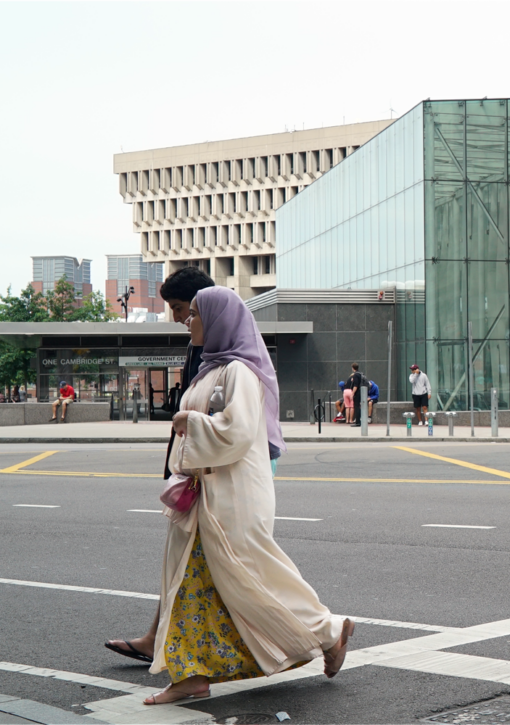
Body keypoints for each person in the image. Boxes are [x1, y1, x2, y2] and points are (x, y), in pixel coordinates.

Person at [143, 285, 353, 705]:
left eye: (196, 314)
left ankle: (328, 631)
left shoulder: (239, 372)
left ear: (218, 319)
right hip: (207, 496)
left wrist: (188, 420)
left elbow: (235, 433)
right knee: (192, 585)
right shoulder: (210, 370)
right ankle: (191, 674)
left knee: (251, 577)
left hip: (233, 497)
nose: (189, 321)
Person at [105, 266, 215, 667]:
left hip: (205, 475)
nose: (177, 317)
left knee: (233, 570)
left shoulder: (219, 350)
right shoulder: (197, 342)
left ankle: (320, 635)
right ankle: (162, 641)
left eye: (182, 308)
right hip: (189, 472)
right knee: (186, 563)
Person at [346, 363, 365, 427]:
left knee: (356, 407)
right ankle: (359, 421)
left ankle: (358, 422)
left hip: (357, 393)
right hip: (361, 392)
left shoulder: (355, 375)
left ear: (353, 368)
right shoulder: (360, 374)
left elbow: (356, 385)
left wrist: (352, 393)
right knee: (358, 406)